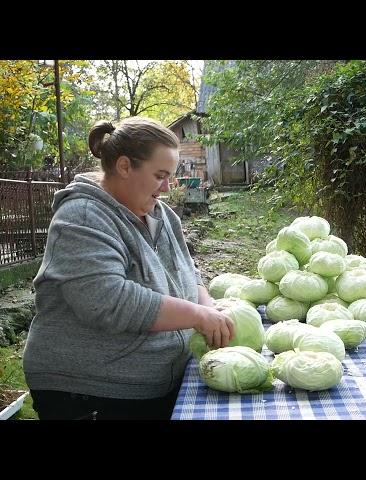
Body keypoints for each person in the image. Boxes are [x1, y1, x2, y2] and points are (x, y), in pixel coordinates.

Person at [23, 117, 235, 420]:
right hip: (90, 393)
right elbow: (108, 301)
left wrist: (210, 307)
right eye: (160, 175)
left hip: (149, 384)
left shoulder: (161, 213)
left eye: (169, 176)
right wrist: (197, 315)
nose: (167, 186)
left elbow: (188, 271)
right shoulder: (82, 216)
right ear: (124, 166)